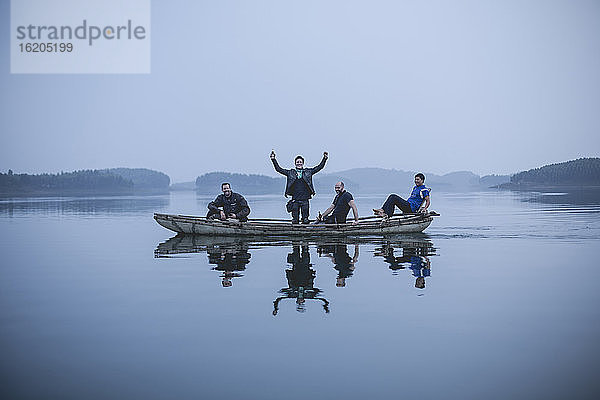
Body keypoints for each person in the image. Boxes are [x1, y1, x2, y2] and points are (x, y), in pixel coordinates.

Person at [270, 150, 328, 224]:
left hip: (305, 199)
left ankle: (305, 233)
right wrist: (273, 159)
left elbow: (319, 167)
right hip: (295, 200)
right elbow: (278, 169)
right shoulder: (290, 173)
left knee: (306, 219)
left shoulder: (308, 172)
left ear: (303, 163)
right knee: (295, 219)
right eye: (297, 162)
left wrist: (324, 158)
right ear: (295, 163)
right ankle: (295, 233)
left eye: (300, 162)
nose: (299, 163)